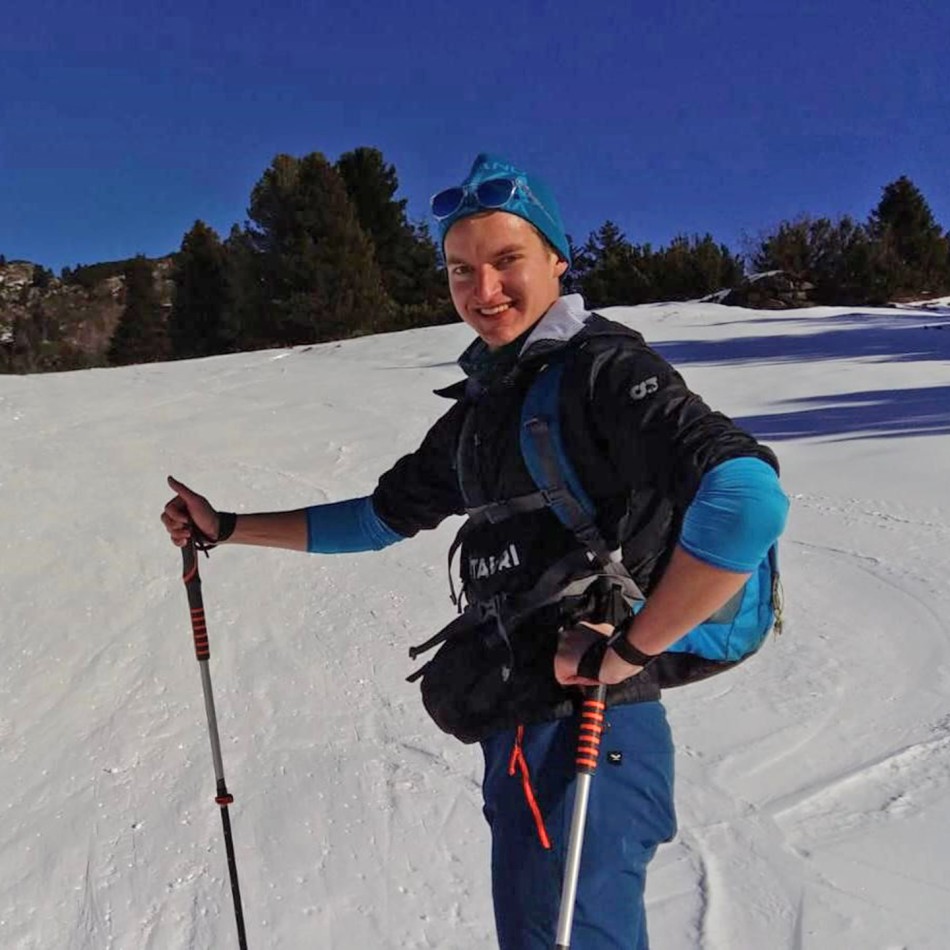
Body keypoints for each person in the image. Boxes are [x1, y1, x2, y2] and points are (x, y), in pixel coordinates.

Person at [162, 153, 789, 949]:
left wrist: (628, 650)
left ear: (558, 260)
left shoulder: (600, 371)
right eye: (462, 270)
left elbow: (746, 502)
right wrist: (228, 527)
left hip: (589, 731)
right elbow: (379, 520)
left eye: (506, 261)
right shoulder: (489, 408)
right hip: (530, 728)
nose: (482, 290)